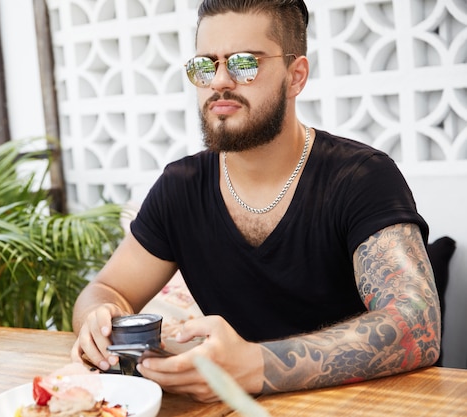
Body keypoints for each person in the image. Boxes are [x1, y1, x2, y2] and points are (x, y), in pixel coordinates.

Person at [70, 0, 441, 402]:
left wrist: (256, 365)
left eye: (244, 63)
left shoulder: (361, 177)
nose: (220, 81)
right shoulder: (181, 187)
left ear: (296, 76)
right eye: (205, 65)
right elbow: (107, 289)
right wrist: (98, 319)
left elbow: (416, 325)